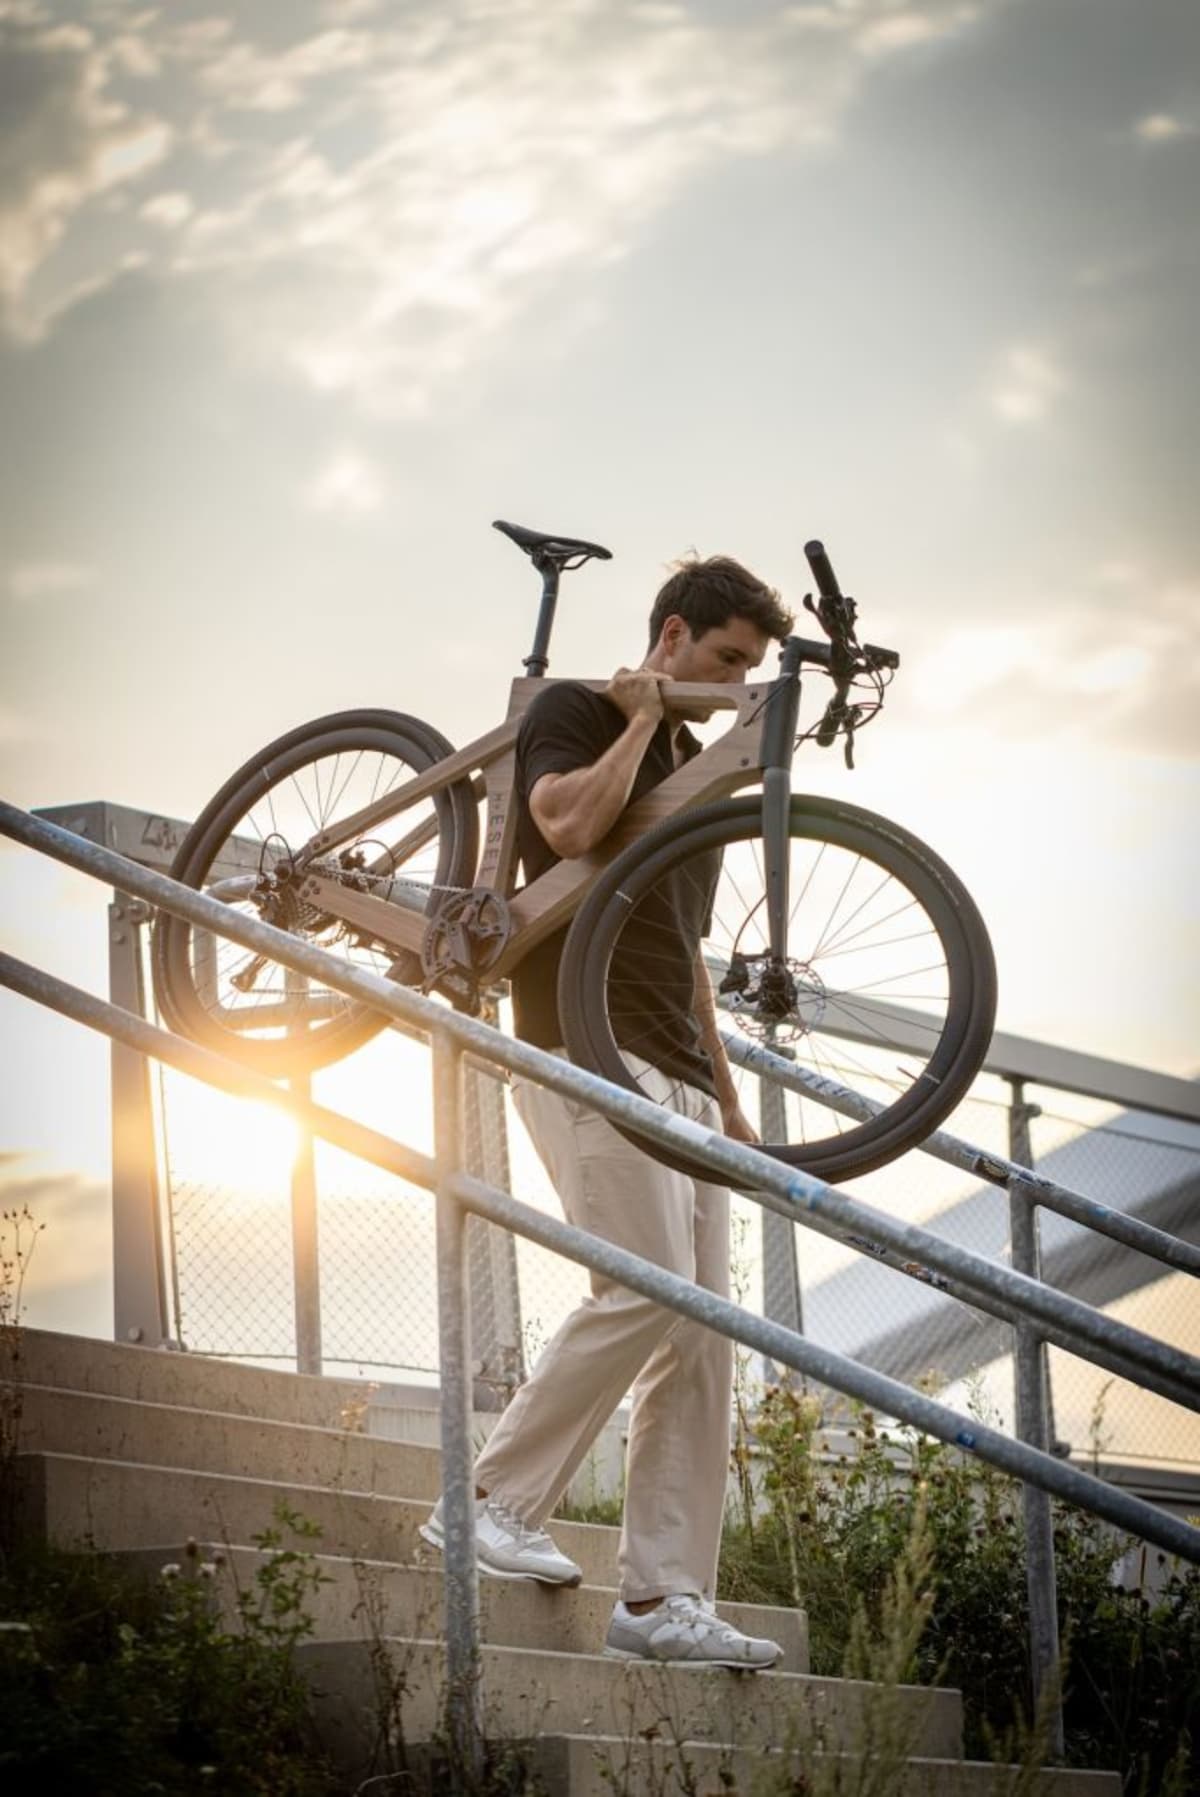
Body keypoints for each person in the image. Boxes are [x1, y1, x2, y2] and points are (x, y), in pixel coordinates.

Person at [421, 554, 794, 1668]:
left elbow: (683, 960)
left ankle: (657, 1602)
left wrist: (729, 1105)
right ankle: (487, 1499)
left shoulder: (700, 769)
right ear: (672, 637)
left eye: (752, 668)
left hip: (675, 1065)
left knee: (699, 1333)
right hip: (582, 1048)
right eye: (727, 658)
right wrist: (634, 724)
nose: (738, 681)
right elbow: (568, 825)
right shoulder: (580, 709)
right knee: (642, 1284)